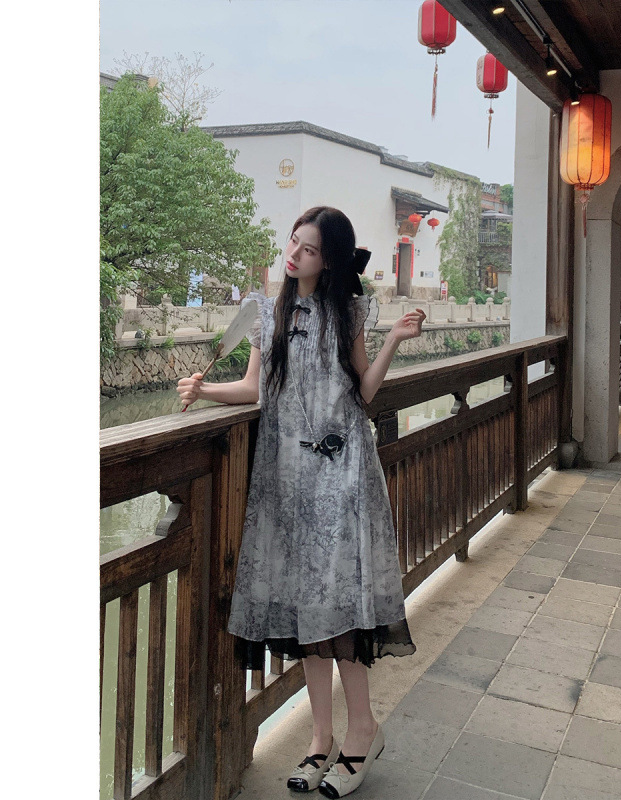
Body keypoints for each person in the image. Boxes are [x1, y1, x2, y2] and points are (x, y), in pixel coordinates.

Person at [177, 206, 426, 798]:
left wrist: (393, 340)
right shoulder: (269, 313)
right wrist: (203, 390)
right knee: (305, 611)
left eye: (308, 249)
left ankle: (362, 732)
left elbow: (364, 392)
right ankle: (319, 738)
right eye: (293, 242)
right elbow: (254, 389)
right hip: (286, 478)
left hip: (342, 475)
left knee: (338, 608)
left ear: (329, 259)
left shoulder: (349, 311)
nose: (293, 255)